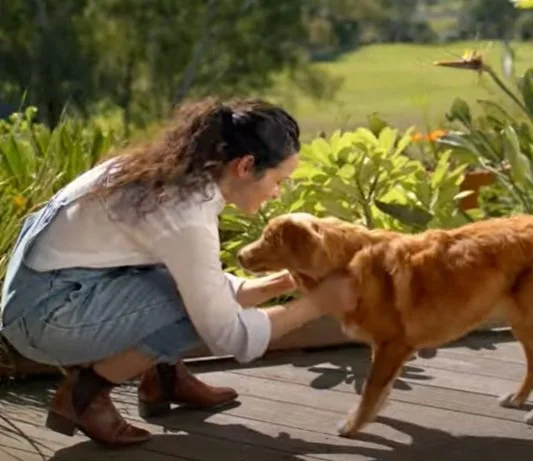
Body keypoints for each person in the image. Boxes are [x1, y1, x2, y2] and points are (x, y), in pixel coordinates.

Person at [0, 98, 357, 448]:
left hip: (45, 292)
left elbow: (202, 282)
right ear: (245, 166)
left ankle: (165, 379)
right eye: (279, 180)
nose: (278, 193)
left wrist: (286, 281)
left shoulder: (172, 176)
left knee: (189, 292)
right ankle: (85, 395)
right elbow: (228, 334)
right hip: (44, 317)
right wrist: (318, 304)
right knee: (193, 310)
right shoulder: (185, 214)